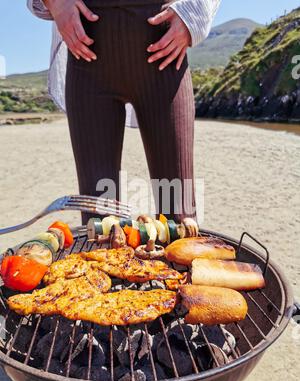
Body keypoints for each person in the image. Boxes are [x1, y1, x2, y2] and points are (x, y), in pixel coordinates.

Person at [28, 0, 220, 223]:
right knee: (98, 223)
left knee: (180, 217)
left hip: (165, 54)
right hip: (88, 59)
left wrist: (194, 15)